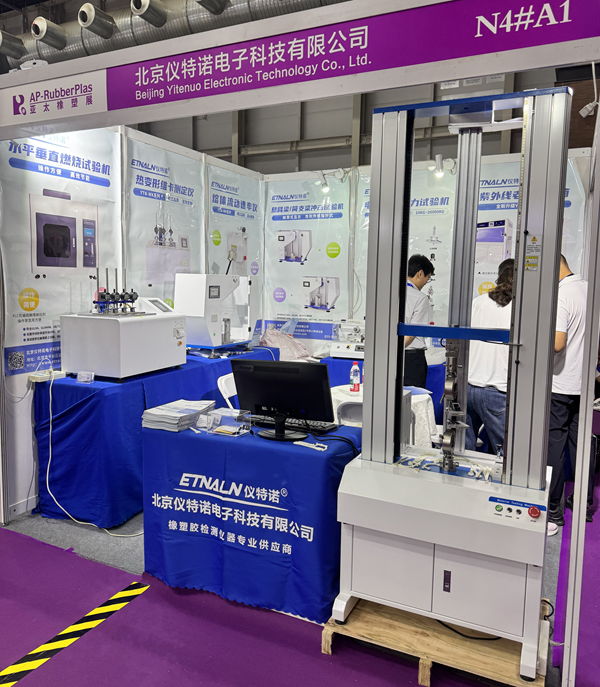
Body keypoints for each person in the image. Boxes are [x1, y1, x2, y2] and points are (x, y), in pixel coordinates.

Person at [547, 255, 595, 535]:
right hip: (584, 382)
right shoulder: (589, 289)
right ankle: (583, 502)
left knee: (555, 444)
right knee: (581, 444)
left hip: (561, 382)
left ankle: (553, 509)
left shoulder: (562, 295)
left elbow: (557, 343)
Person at [465, 259, 514, 455]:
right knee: (506, 456)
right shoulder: (519, 308)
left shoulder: (477, 302)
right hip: (498, 390)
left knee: (462, 452)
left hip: (469, 386)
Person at [404, 254, 434, 389]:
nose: (426, 282)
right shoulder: (420, 298)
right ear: (420, 273)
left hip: (388, 355)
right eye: (428, 278)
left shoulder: (391, 292)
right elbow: (411, 334)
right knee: (413, 398)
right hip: (411, 359)